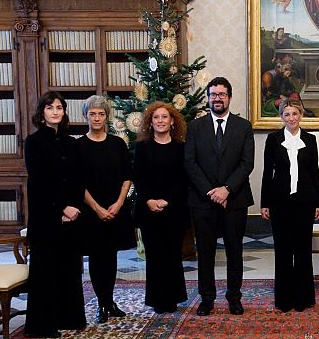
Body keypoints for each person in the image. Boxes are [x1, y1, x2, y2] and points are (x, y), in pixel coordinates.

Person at [185, 77, 255, 316]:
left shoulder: (243, 127)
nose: (217, 98)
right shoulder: (195, 127)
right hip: (203, 201)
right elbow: (190, 163)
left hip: (235, 200)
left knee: (235, 251)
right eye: (213, 94)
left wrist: (226, 189)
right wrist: (212, 192)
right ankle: (207, 299)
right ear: (208, 97)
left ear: (229, 97)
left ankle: (234, 298)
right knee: (205, 253)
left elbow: (247, 164)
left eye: (221, 94)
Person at [23, 91, 86, 338]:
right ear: (42, 113)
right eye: (50, 108)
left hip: (72, 215)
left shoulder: (71, 142)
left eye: (60, 107)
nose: (56, 111)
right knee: (46, 271)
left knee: (69, 268)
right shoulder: (33, 142)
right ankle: (43, 325)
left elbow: (78, 178)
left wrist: (74, 208)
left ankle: (69, 318)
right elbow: (40, 181)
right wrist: (61, 208)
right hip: (45, 216)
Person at [260, 99, 319, 312]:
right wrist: (265, 202)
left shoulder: (310, 140)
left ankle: (303, 298)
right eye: (287, 114)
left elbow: (315, 172)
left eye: (294, 114)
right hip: (280, 202)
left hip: (305, 201)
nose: (291, 118)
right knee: (284, 250)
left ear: (301, 115)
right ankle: (284, 299)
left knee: (303, 251)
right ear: (281, 117)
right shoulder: (273, 139)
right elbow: (267, 173)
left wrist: (318, 202)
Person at [77, 95, 134, 324]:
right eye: (93, 114)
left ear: (107, 117)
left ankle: (109, 300)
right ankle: (102, 303)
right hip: (92, 211)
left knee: (110, 258)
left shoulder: (117, 144)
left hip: (115, 209)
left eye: (101, 113)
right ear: (85, 116)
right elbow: (77, 183)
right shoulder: (78, 146)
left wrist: (119, 204)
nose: (97, 117)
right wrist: (97, 208)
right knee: (97, 258)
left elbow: (127, 176)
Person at [133, 101, 189, 314]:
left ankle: (173, 298)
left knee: (172, 255)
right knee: (155, 256)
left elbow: (183, 179)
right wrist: (149, 200)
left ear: (172, 121)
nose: (160, 121)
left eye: (165, 117)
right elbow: (138, 176)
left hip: (174, 210)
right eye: (156, 117)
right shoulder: (142, 147)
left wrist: (167, 200)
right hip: (149, 210)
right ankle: (157, 300)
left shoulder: (181, 148)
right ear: (150, 121)